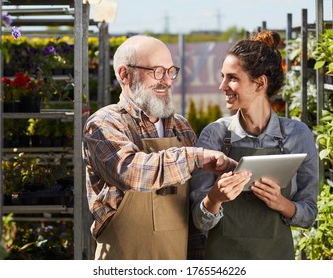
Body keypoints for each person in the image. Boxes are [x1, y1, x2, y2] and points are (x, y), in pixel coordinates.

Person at [82, 35, 239, 260]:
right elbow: (131, 171)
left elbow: (192, 210)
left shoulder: (180, 127)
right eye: (156, 71)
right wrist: (196, 158)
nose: (166, 80)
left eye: (170, 71)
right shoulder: (104, 123)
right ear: (124, 74)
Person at [190, 30, 319, 260]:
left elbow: (309, 214)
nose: (222, 86)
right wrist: (215, 197)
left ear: (260, 83)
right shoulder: (215, 136)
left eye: (232, 78)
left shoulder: (297, 136)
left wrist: (281, 203)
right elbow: (199, 222)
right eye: (222, 76)